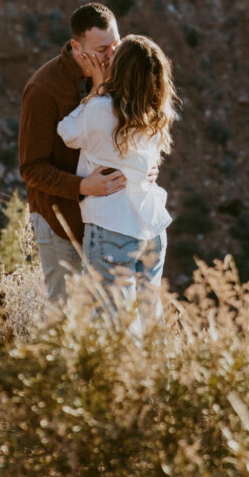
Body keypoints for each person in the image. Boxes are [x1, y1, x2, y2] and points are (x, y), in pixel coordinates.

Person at [57, 34, 178, 322]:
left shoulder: (99, 109)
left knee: (112, 325)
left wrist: (98, 86)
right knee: (149, 323)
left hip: (112, 227)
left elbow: (66, 131)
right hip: (151, 228)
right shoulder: (153, 112)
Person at [19, 2, 127, 304]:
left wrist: (143, 167)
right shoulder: (43, 89)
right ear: (76, 47)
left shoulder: (117, 76)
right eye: (103, 49)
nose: (113, 56)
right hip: (60, 220)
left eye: (117, 45)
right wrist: (81, 186)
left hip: (108, 222)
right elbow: (31, 167)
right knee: (64, 315)